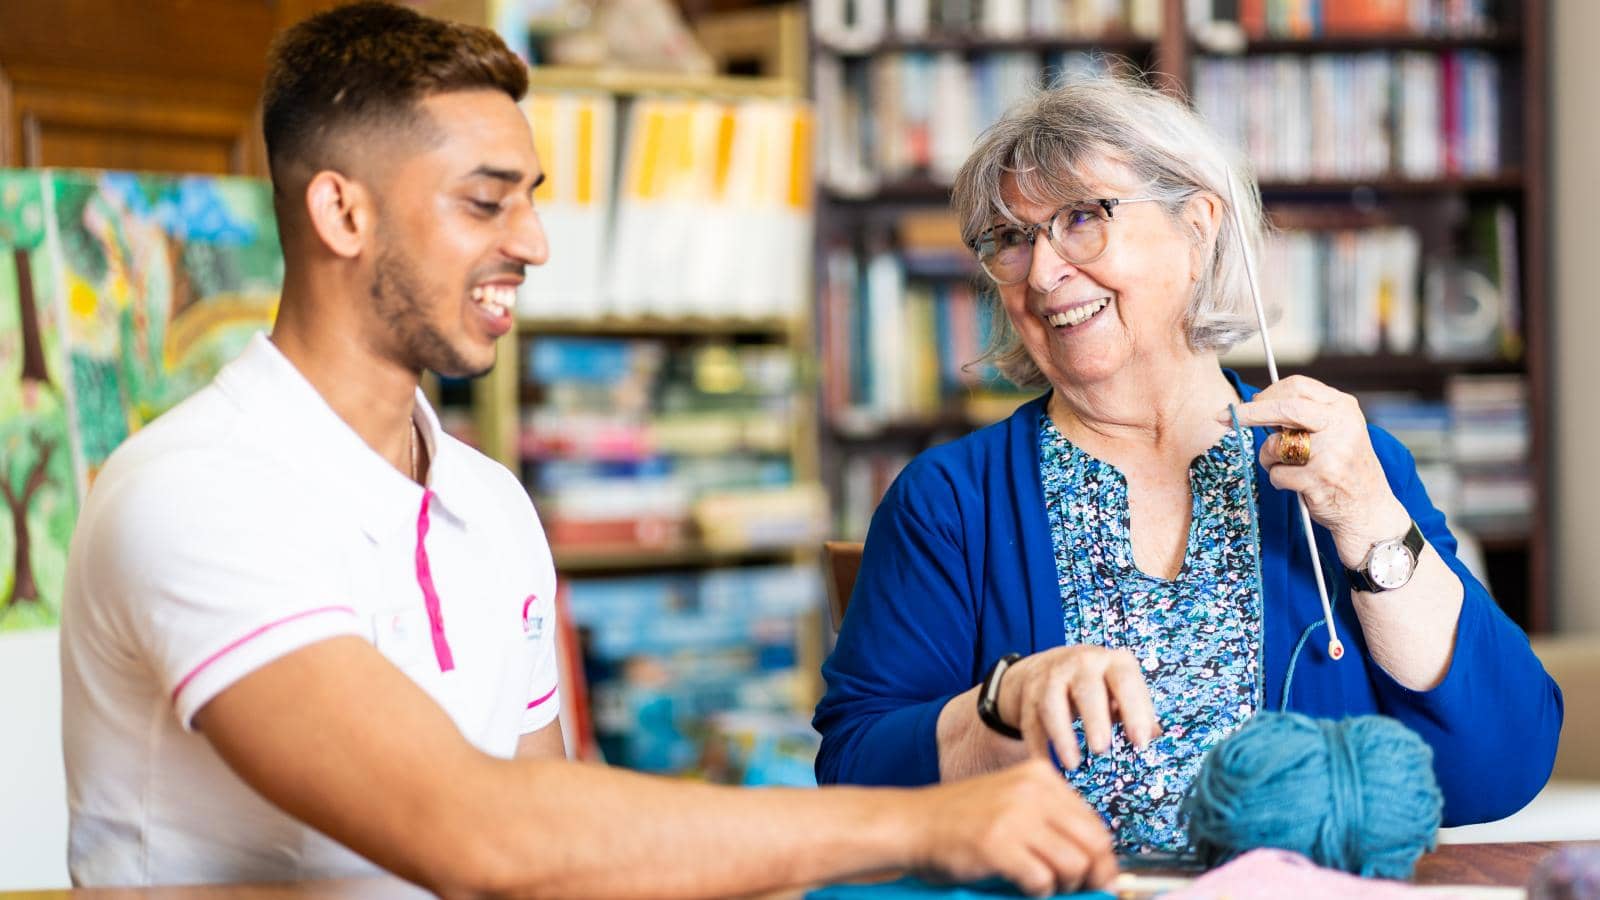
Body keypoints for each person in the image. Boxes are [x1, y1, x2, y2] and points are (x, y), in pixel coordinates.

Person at [57, 4, 1119, 896]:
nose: (531, 242)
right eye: (485, 201)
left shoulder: (491, 504)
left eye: (532, 198)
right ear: (341, 211)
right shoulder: (197, 492)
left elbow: (558, 855)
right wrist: (926, 825)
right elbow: (477, 832)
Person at [812, 76, 1563, 853]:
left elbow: (1498, 772)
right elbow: (854, 779)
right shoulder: (949, 501)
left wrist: (1371, 520)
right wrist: (998, 704)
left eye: (1081, 218)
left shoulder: (1343, 468)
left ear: (1198, 227)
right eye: (1012, 239)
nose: (1041, 274)